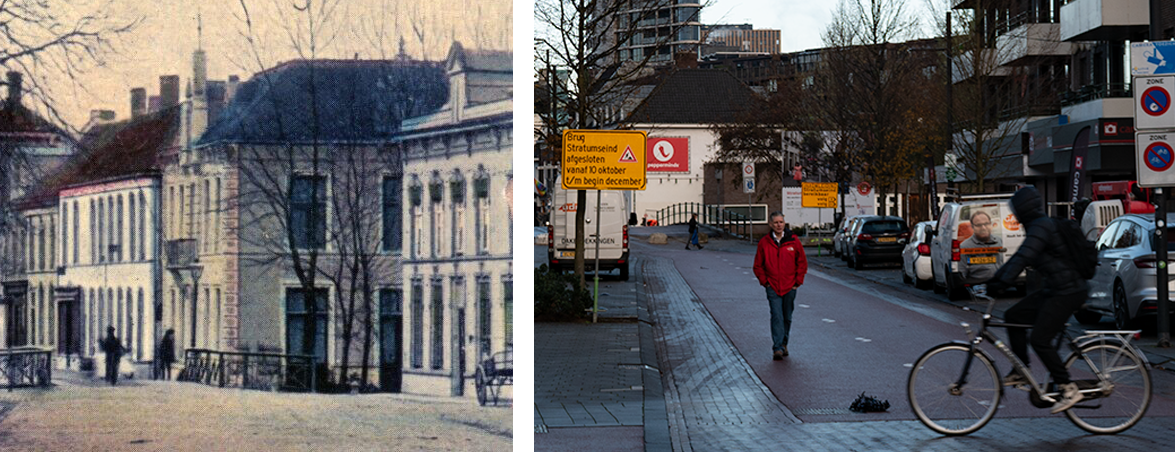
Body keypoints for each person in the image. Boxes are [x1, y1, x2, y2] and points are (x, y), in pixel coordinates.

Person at [986, 186, 1089, 414]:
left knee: (1040, 339)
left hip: (1069, 291)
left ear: (1024, 210)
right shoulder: (1038, 225)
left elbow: (1024, 256)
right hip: (1055, 289)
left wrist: (1000, 282)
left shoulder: (1041, 227)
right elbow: (1020, 255)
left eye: (1016, 212)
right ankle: (1019, 370)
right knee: (1013, 316)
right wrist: (997, 278)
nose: (1016, 216)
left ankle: (1068, 388)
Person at [753, 212, 808, 360]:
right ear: (771, 224)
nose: (779, 225)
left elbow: (802, 262)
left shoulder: (793, 241)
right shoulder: (764, 243)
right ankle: (777, 347)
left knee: (787, 317)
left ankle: (784, 344)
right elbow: (758, 265)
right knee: (776, 315)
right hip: (773, 286)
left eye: (781, 222)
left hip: (790, 286)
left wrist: (797, 282)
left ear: (784, 223)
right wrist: (765, 283)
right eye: (776, 222)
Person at [958, 210, 1003, 283]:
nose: (983, 228)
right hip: (977, 285)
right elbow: (962, 274)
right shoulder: (964, 247)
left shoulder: (999, 241)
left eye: (986, 224)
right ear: (972, 227)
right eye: (979, 225)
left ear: (991, 224)